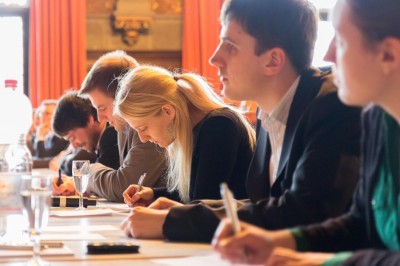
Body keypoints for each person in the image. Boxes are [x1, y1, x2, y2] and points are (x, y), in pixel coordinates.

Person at [118, 0, 361, 242]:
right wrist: (183, 211)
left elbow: (304, 212)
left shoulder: (333, 107)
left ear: (273, 61)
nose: (214, 58)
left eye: (230, 46)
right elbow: (265, 205)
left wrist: (177, 221)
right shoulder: (268, 113)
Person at [213, 0, 400, 265]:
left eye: (342, 41)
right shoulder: (377, 119)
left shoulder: (340, 110)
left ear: (388, 55)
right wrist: (279, 242)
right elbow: (358, 225)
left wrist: (315, 262)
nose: (328, 55)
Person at [116, 65, 256, 238]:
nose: (143, 138)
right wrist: (154, 194)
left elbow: (203, 204)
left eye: (143, 127)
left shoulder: (219, 126)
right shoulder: (198, 128)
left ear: (167, 111)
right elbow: (195, 194)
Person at [78, 50, 167, 202]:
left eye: (102, 108)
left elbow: (123, 187)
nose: (99, 118)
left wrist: (89, 171)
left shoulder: (147, 125)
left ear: (122, 96)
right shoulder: (123, 127)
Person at [50, 90, 119, 178]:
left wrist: (72, 183)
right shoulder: (102, 138)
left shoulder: (110, 136)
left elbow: (100, 181)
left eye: (72, 137)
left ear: (88, 120)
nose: (74, 146)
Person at [31, 99, 69, 167]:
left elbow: (43, 159)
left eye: (47, 113)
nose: (43, 117)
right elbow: (36, 155)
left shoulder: (62, 135)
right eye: (41, 113)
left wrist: (40, 137)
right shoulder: (49, 134)